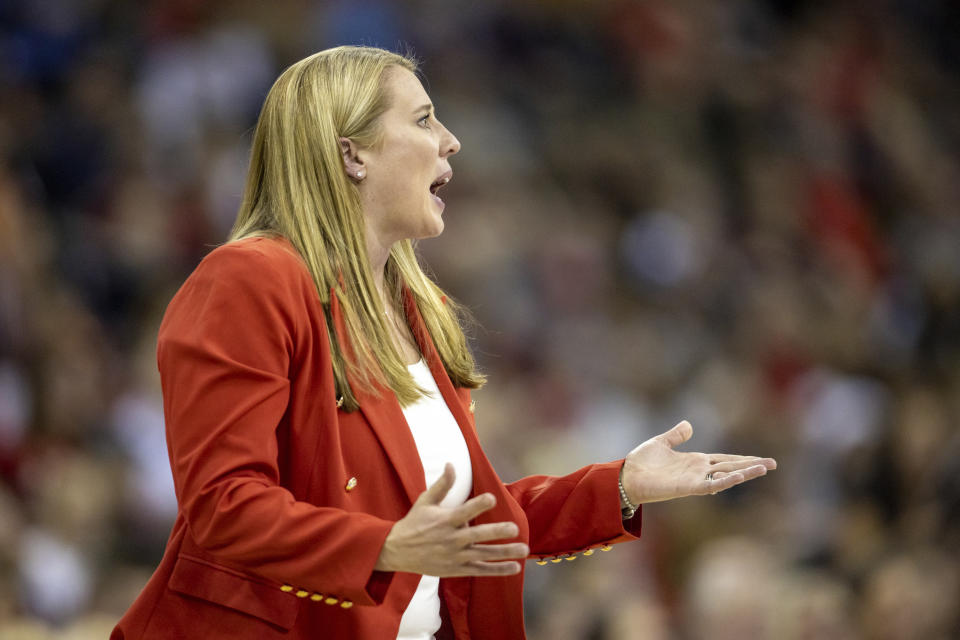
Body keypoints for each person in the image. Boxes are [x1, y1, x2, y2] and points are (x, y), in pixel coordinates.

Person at [111, 45, 776, 640]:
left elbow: (468, 529)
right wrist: (387, 547)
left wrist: (620, 485)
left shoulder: (416, 310)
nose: (451, 141)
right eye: (424, 119)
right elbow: (224, 506)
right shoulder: (249, 278)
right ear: (351, 152)